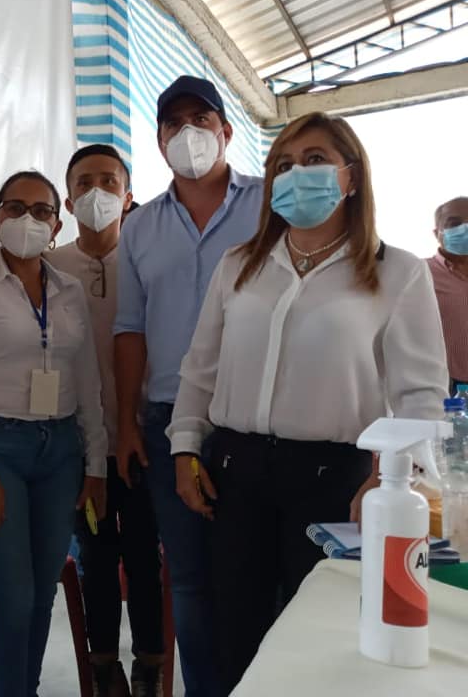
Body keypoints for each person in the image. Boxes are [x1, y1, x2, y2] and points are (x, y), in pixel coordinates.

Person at [168, 111, 448, 693]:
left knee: (318, 634)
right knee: (235, 629)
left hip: (334, 480)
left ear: (352, 176)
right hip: (235, 471)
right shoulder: (240, 264)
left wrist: (392, 478)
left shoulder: (395, 273)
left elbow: (420, 393)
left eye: (315, 160)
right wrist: (185, 450)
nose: (297, 174)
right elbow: (200, 368)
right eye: (284, 165)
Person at [113, 75, 263, 697]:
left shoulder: (270, 204)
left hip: (253, 420)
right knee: (190, 578)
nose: (187, 133)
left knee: (257, 575)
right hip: (167, 422)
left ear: (226, 131)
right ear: (159, 140)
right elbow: (129, 330)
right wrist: (126, 422)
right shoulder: (140, 227)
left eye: (200, 120)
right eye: (173, 124)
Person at [0, 170, 108, 697]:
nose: (28, 219)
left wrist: (96, 466)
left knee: (41, 594)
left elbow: (87, 381)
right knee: (13, 597)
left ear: (56, 226)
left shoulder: (69, 290)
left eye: (41, 211)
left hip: (61, 453)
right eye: (15, 208)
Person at [48, 145, 164, 697]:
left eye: (109, 182)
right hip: (79, 446)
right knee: (94, 553)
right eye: (84, 183)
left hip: (140, 439)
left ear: (128, 195)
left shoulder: (146, 263)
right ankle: (102, 664)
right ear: (69, 201)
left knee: (144, 551)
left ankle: (150, 660)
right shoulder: (48, 266)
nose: (98, 193)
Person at [428, 197, 468, 392]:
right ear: (437, 233)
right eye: (454, 223)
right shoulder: (419, 274)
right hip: (444, 388)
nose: (465, 228)